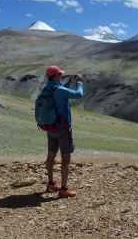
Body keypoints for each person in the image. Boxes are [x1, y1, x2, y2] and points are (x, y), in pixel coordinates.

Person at [43, 66, 84, 198]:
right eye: (60, 74)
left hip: (50, 127)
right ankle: (64, 189)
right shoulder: (60, 90)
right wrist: (79, 83)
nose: (61, 76)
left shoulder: (47, 88)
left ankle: (50, 184)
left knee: (51, 156)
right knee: (65, 159)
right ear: (55, 76)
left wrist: (69, 82)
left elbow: (62, 89)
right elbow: (78, 94)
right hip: (63, 128)